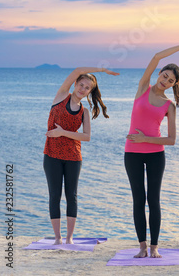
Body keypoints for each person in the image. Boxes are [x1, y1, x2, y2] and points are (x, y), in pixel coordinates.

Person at [125, 43, 179, 258]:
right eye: (165, 75)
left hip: (156, 155)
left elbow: (171, 139)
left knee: (154, 199)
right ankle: (142, 247)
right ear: (159, 73)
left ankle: (154, 247)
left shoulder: (168, 105)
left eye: (171, 81)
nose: (165, 81)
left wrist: (145, 139)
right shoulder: (142, 88)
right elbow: (157, 55)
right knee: (138, 199)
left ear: (173, 85)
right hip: (132, 153)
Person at [44, 67, 118, 245]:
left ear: (89, 93)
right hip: (52, 155)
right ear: (75, 83)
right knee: (54, 195)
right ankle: (57, 238)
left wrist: (63, 132)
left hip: (74, 157)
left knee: (72, 196)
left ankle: (69, 238)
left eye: (87, 88)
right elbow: (78, 69)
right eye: (81, 84)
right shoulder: (61, 96)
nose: (82, 89)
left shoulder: (84, 112)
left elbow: (87, 137)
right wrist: (101, 70)